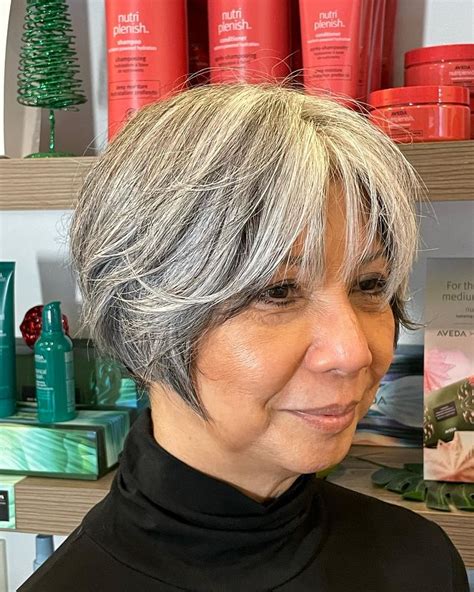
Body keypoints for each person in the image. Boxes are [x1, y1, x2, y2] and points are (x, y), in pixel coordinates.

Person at [19, 84, 469, 592]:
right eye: (278, 292)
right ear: (142, 326)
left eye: (368, 285)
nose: (354, 352)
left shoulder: (422, 562)